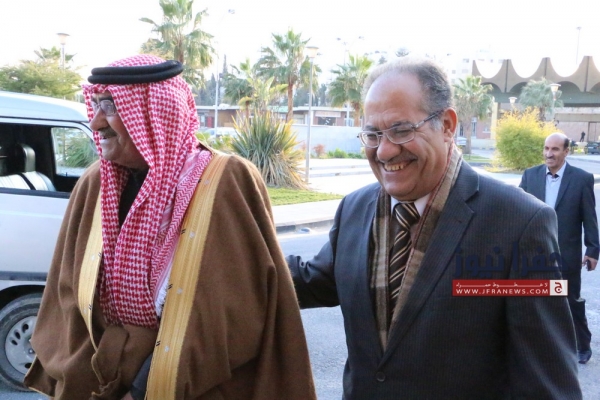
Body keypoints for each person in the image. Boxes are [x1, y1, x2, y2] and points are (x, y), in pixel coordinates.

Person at [24, 55, 316, 400]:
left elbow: (229, 316)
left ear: (156, 114)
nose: (96, 121)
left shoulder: (225, 181)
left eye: (111, 106)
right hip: (101, 375)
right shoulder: (95, 183)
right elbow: (68, 298)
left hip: (195, 385)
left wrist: (142, 388)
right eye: (96, 104)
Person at [287, 58, 581, 399]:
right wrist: (238, 253)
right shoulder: (354, 209)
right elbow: (317, 281)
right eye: (373, 134)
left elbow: (550, 383)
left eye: (401, 130)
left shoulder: (523, 223)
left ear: (447, 125)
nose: (384, 151)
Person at [520, 132, 599, 364]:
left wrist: (592, 250)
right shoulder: (530, 176)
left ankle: (581, 345)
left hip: (567, 252)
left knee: (570, 300)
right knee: (536, 300)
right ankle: (540, 346)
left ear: (566, 151)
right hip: (534, 252)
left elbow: (589, 217)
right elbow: (518, 210)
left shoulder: (581, 179)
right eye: (546, 148)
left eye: (555, 149)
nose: (549, 154)